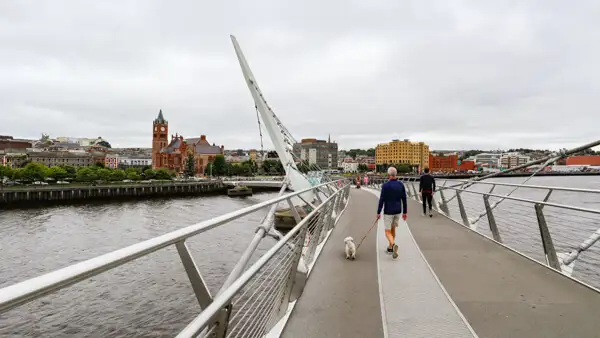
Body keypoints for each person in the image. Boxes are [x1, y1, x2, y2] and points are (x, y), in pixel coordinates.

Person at [376, 167, 407, 260]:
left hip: (388, 211)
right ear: (396, 174)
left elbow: (382, 199)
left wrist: (378, 212)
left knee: (387, 231)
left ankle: (393, 245)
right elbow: (404, 199)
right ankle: (390, 248)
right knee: (393, 229)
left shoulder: (385, 186)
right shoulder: (401, 185)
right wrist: (405, 212)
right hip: (398, 210)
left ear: (388, 175)